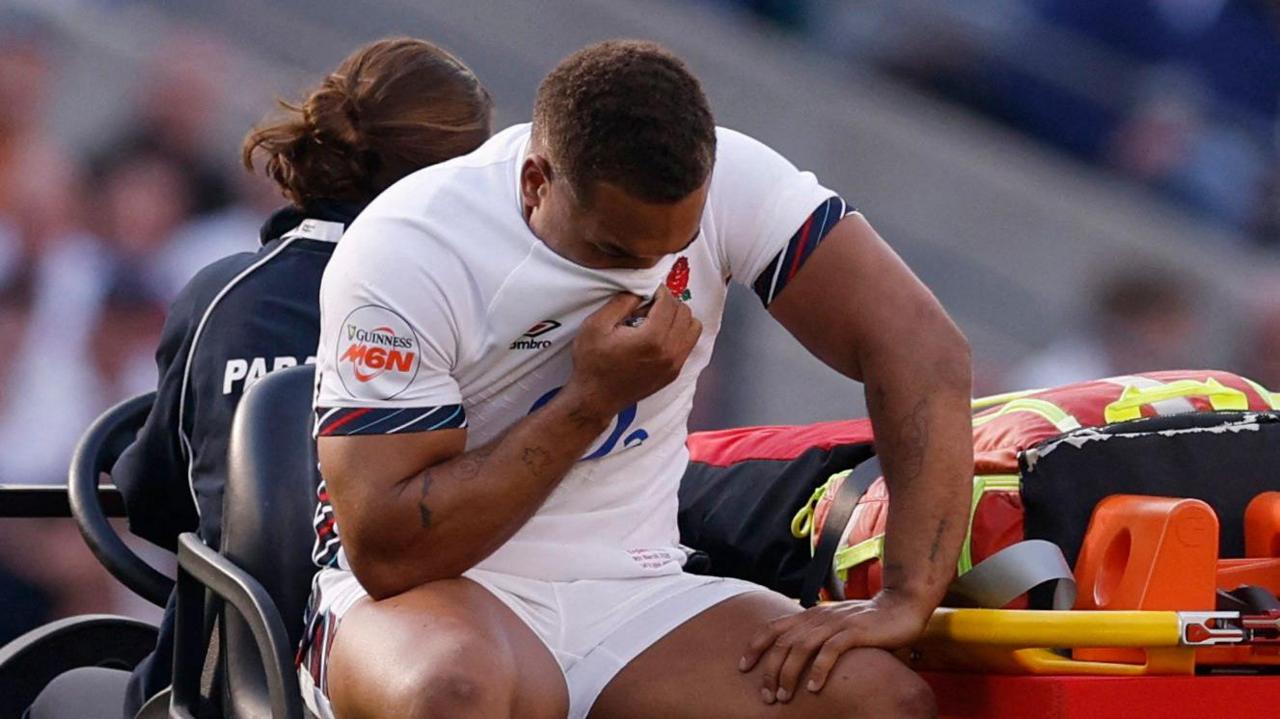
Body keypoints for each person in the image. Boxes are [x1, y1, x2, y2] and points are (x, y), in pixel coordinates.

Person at [304, 40, 973, 719]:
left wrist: (908, 592)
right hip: (428, 595)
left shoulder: (734, 176)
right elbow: (389, 556)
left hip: (632, 587)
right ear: (538, 181)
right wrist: (591, 399)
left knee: (880, 700)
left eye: (674, 248)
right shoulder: (411, 245)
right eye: (616, 251)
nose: (647, 274)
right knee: (455, 694)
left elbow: (923, 350)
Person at [92, 37, 492, 717]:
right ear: (448, 182)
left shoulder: (221, 294)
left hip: (213, 684)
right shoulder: (483, 319)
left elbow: (159, 499)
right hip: (410, 674)